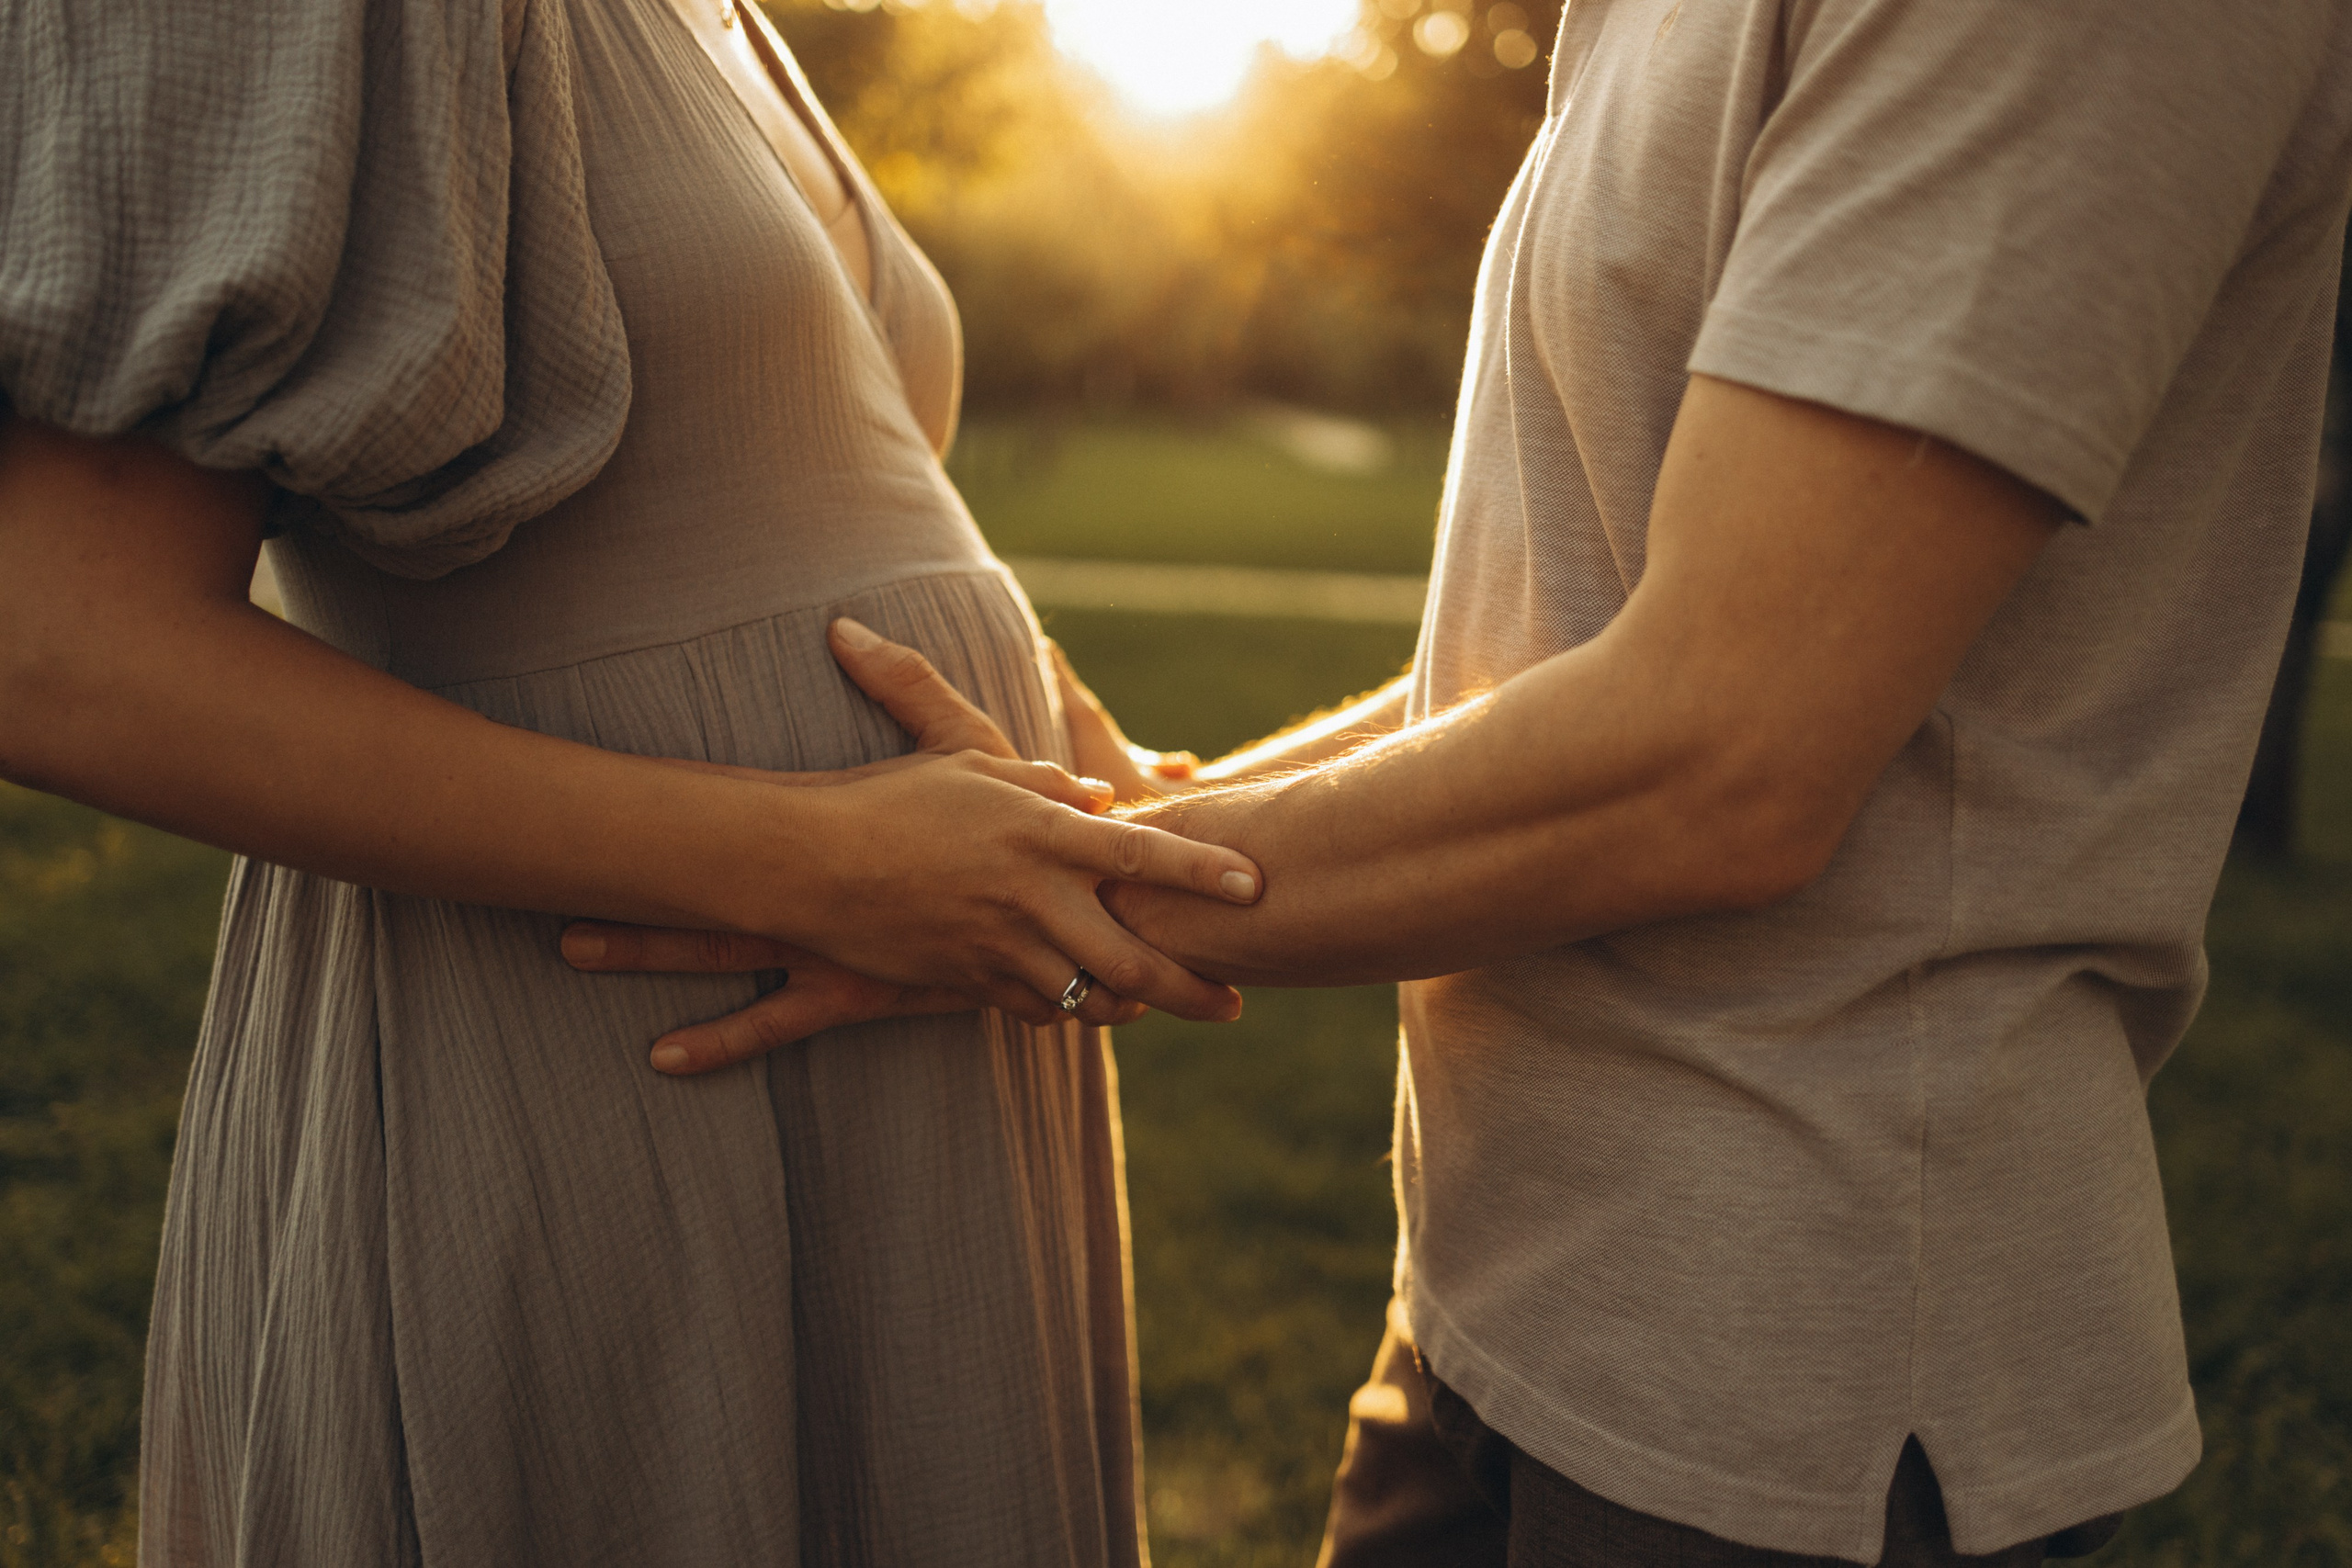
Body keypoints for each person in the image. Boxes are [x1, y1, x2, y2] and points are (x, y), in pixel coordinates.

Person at [605, 0, 2352, 1562]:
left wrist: (1014, 894)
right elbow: (1554, 654)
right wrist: (1088, 842)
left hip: (1789, 1377)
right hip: (1500, 1291)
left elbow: (1725, 752)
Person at [0, 0, 1268, 1562]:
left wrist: (1059, 729)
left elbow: (813, 470)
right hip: (606, 1052)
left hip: (929, 1051)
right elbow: (53, 644)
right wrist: (819, 865)